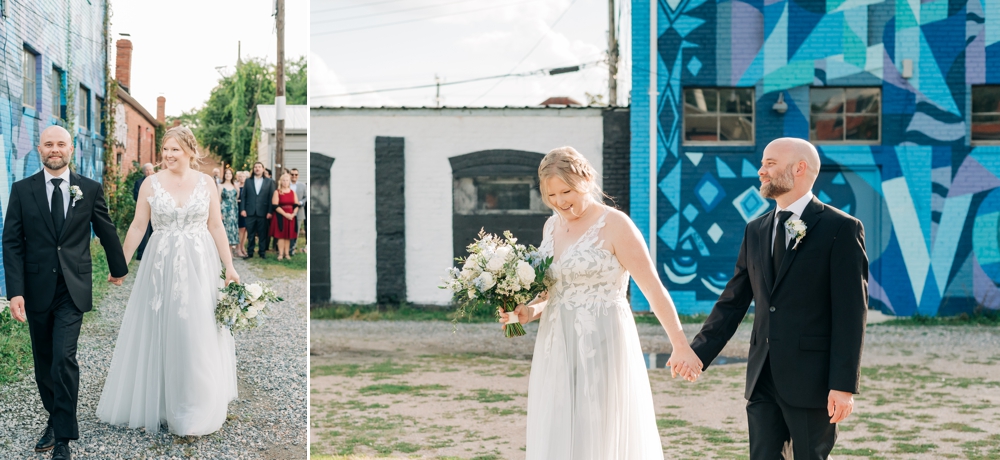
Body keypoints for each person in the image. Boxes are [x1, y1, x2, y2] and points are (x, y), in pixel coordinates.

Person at [502, 146, 701, 460]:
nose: (560, 202)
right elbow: (551, 291)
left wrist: (680, 345)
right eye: (551, 196)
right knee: (559, 422)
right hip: (557, 340)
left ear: (587, 179)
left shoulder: (615, 225)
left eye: (566, 191)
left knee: (599, 425)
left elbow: (653, 288)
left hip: (603, 338)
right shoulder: (551, 226)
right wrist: (528, 311)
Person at [689, 138, 868, 460]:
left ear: (799, 168)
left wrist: (843, 385)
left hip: (812, 380)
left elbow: (851, 313)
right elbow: (733, 300)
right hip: (762, 377)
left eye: (770, 163)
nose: (761, 171)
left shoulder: (841, 228)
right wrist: (698, 353)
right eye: (763, 163)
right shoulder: (755, 230)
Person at [96, 126, 240, 437]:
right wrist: (118, 264)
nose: (168, 155)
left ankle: (193, 405)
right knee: (159, 325)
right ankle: (159, 401)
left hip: (200, 264)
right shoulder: (150, 184)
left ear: (190, 150)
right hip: (160, 264)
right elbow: (137, 227)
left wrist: (229, 266)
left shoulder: (207, 184)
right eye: (165, 149)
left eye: (175, 149)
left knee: (195, 328)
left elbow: (216, 225)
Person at [2, 125, 129, 460]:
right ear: (39, 150)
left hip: (73, 288)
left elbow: (106, 228)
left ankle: (63, 437)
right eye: (48, 144)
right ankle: (54, 417)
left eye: (61, 144)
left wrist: (119, 268)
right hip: (35, 289)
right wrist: (14, 291)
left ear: (71, 149)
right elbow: (12, 243)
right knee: (44, 364)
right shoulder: (22, 190)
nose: (54, 149)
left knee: (63, 358)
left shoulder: (88, 188)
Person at [240, 162, 275, 259]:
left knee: (262, 233)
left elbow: (271, 197)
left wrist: (269, 211)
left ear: (263, 169)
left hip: (263, 212)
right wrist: (243, 209)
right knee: (250, 234)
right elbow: (244, 196)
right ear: (253, 169)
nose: (257, 168)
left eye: (259, 167)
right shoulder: (248, 181)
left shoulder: (269, 181)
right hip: (250, 211)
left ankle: (262, 252)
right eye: (255, 167)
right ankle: (250, 252)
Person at [270, 173, 299, 260]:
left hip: (291, 216)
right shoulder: (277, 192)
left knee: (288, 236)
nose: (285, 182)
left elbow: (296, 205)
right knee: (281, 236)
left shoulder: (293, 192)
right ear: (281, 181)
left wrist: (293, 214)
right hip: (281, 215)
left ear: (289, 181)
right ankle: (280, 254)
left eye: (287, 180)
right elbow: (275, 205)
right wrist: (285, 214)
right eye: (284, 180)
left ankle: (287, 254)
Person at [132, 163, 155, 260]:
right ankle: (141, 255)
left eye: (150, 170)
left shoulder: (158, 181)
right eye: (147, 170)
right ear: (144, 172)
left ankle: (155, 254)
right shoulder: (139, 182)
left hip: (155, 212)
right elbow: (136, 196)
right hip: (144, 212)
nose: (149, 172)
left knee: (155, 233)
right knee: (143, 233)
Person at [219, 168, 240, 256]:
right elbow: (218, 200)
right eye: (226, 173)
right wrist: (219, 213)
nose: (228, 175)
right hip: (225, 210)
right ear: (224, 175)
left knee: (232, 230)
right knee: (225, 230)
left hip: (233, 210)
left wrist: (237, 189)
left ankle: (230, 251)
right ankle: (224, 252)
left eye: (230, 173)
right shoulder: (220, 186)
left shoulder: (234, 186)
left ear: (232, 175)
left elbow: (237, 197)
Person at [289, 168, 306, 255]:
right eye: (292, 174)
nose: (294, 176)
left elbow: (306, 197)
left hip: (299, 211)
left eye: (296, 175)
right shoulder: (286, 184)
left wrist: (300, 202)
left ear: (298, 176)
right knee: (287, 229)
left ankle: (293, 248)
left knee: (296, 231)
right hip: (287, 211)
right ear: (289, 175)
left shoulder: (303, 186)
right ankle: (285, 248)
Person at [235, 171, 249, 258]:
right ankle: (238, 248)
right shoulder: (236, 185)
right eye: (240, 176)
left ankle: (243, 246)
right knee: (241, 228)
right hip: (239, 208)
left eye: (243, 176)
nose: (242, 178)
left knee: (245, 229)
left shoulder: (248, 186)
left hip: (247, 208)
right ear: (238, 177)